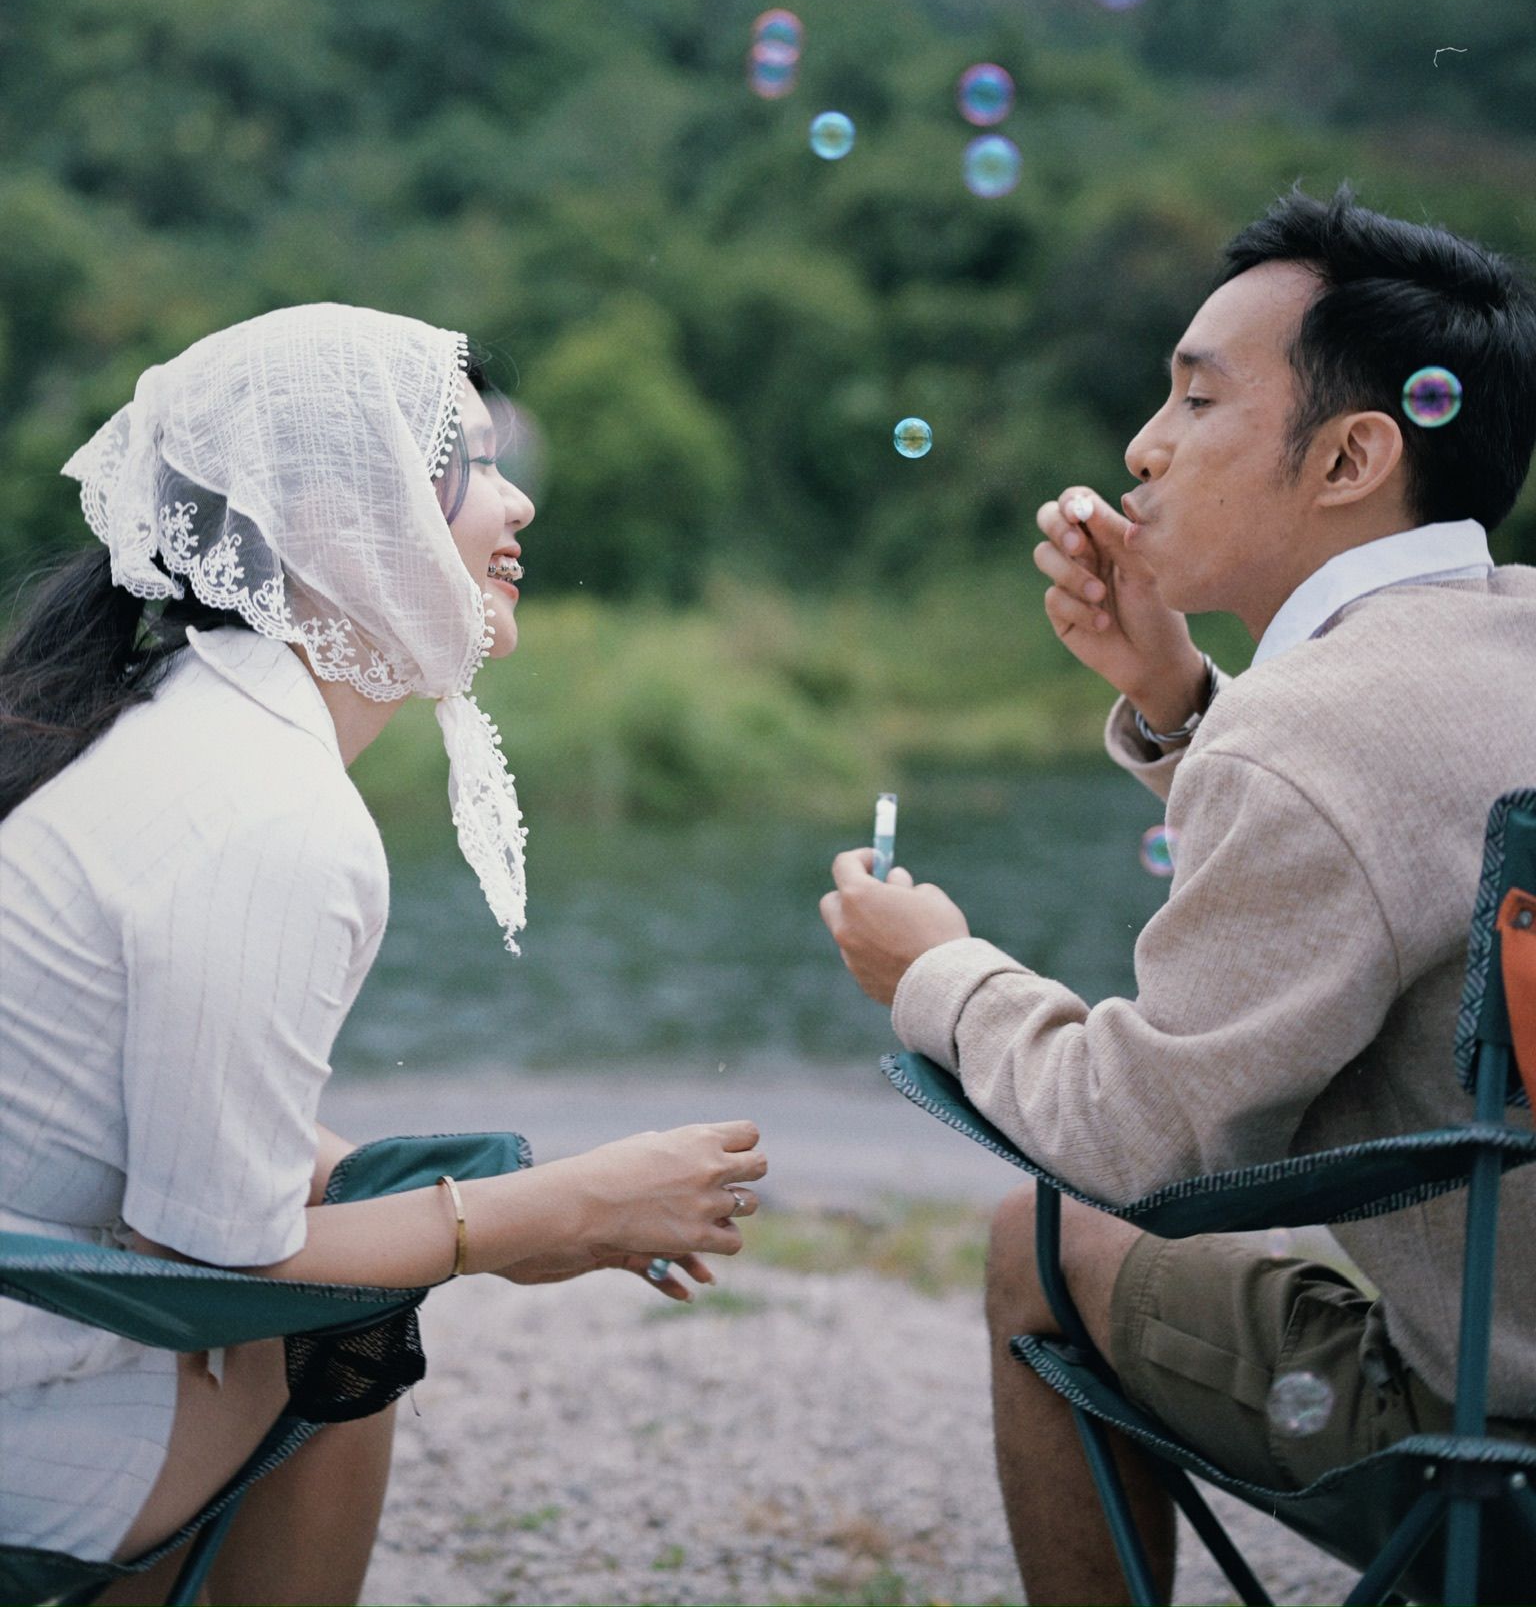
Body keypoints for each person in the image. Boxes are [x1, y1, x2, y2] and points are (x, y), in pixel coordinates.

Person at [818, 186, 1536, 1603]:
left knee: (1040, 1243)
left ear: (1353, 455)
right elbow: (1388, 840)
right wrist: (1181, 698)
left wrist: (937, 974)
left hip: (1495, 1436)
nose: (1144, 446)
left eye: (1198, 400)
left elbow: (1139, 1146)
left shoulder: (1304, 736)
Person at [0, 303, 767, 1607]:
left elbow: (136, 1103)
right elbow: (222, 1258)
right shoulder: (274, 815)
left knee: (358, 1258)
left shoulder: (178, 718)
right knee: (346, 1318)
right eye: (473, 466)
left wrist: (442, 1190)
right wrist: (552, 1212)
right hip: (24, 1381)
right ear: (339, 520)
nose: (519, 503)